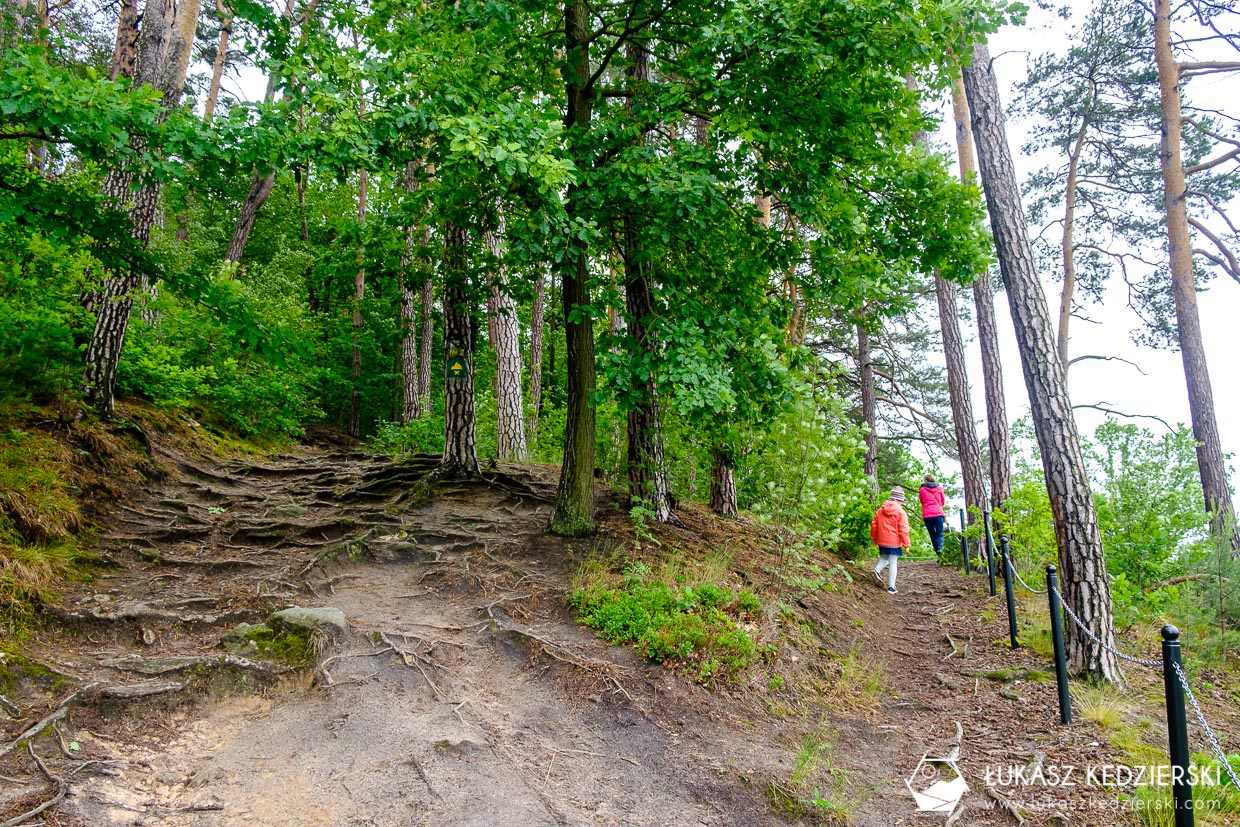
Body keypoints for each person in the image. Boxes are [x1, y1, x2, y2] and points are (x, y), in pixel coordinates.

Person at [870, 487, 910, 594]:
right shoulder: (901, 512)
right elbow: (903, 529)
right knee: (893, 563)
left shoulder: (880, 510)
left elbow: (874, 525)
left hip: (882, 540)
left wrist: (874, 538)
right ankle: (891, 587)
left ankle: (877, 570)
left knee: (886, 558)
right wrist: (906, 544)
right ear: (900, 500)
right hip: (894, 542)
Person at [919, 473, 947, 556]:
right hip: (938, 513)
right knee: (940, 534)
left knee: (932, 535)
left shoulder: (922, 489)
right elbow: (942, 502)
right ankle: (942, 553)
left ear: (926, 480)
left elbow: (922, 501)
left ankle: (938, 553)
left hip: (927, 515)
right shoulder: (940, 489)